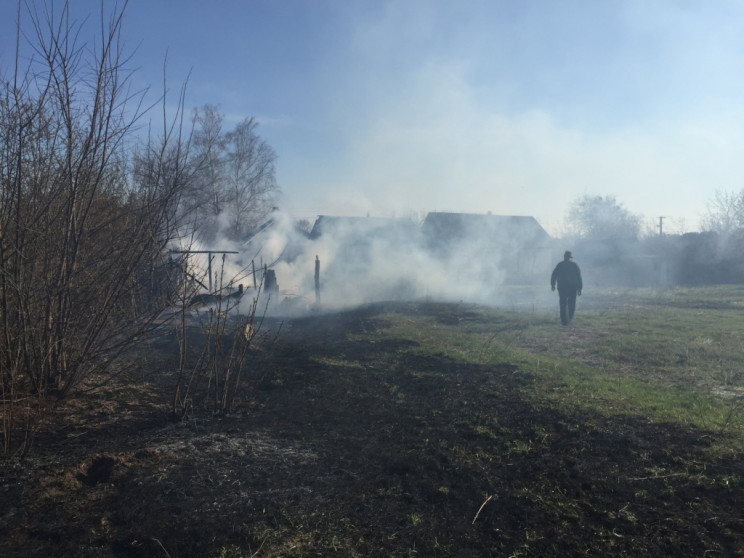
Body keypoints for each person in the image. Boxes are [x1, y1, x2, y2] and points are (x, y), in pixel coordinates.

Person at [550, 251, 583, 325]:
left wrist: (553, 284)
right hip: (572, 288)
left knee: (563, 303)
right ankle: (569, 318)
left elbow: (554, 275)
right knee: (571, 303)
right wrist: (580, 288)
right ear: (570, 257)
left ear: (565, 257)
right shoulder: (574, 265)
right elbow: (579, 277)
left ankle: (564, 320)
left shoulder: (560, 265)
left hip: (563, 287)